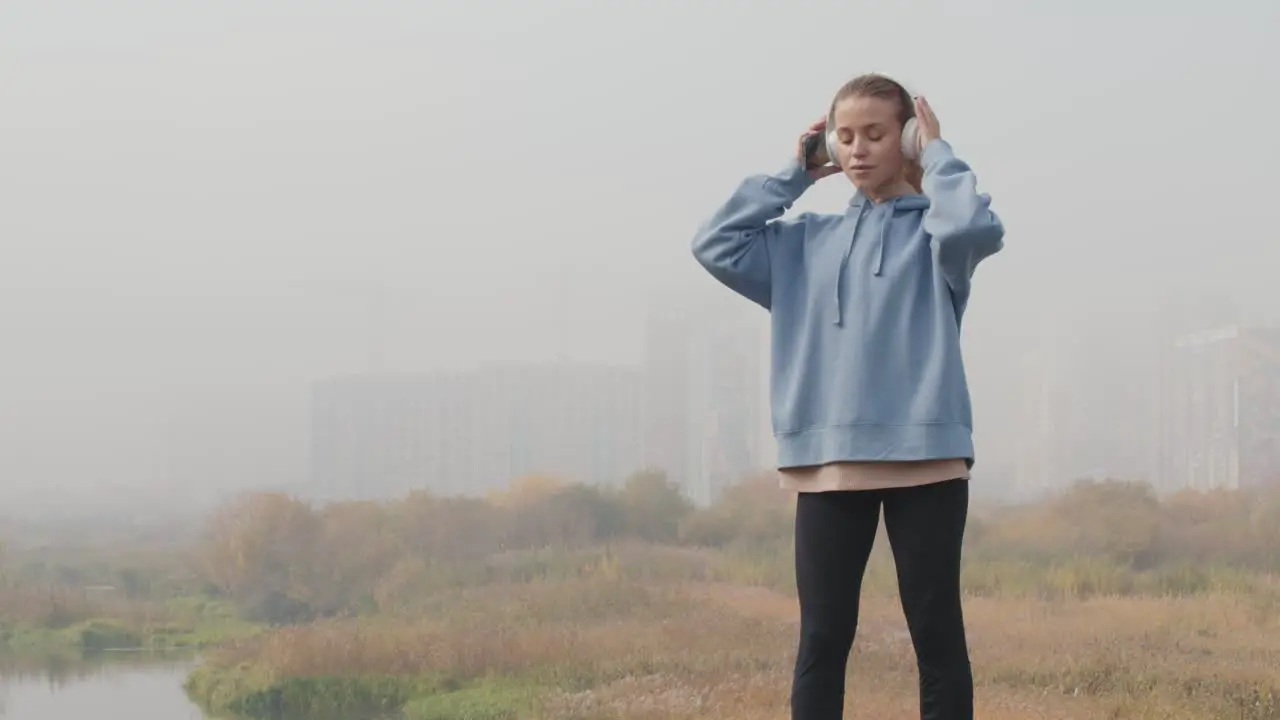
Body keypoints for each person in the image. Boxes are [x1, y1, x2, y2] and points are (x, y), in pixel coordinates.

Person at [690, 73, 1004, 720]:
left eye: (877, 134)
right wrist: (794, 175)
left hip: (928, 457)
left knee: (937, 635)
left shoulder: (938, 239)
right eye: (846, 136)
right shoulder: (802, 244)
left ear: (906, 138)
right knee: (823, 639)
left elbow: (974, 227)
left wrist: (937, 153)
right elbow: (714, 244)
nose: (858, 149)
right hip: (827, 464)